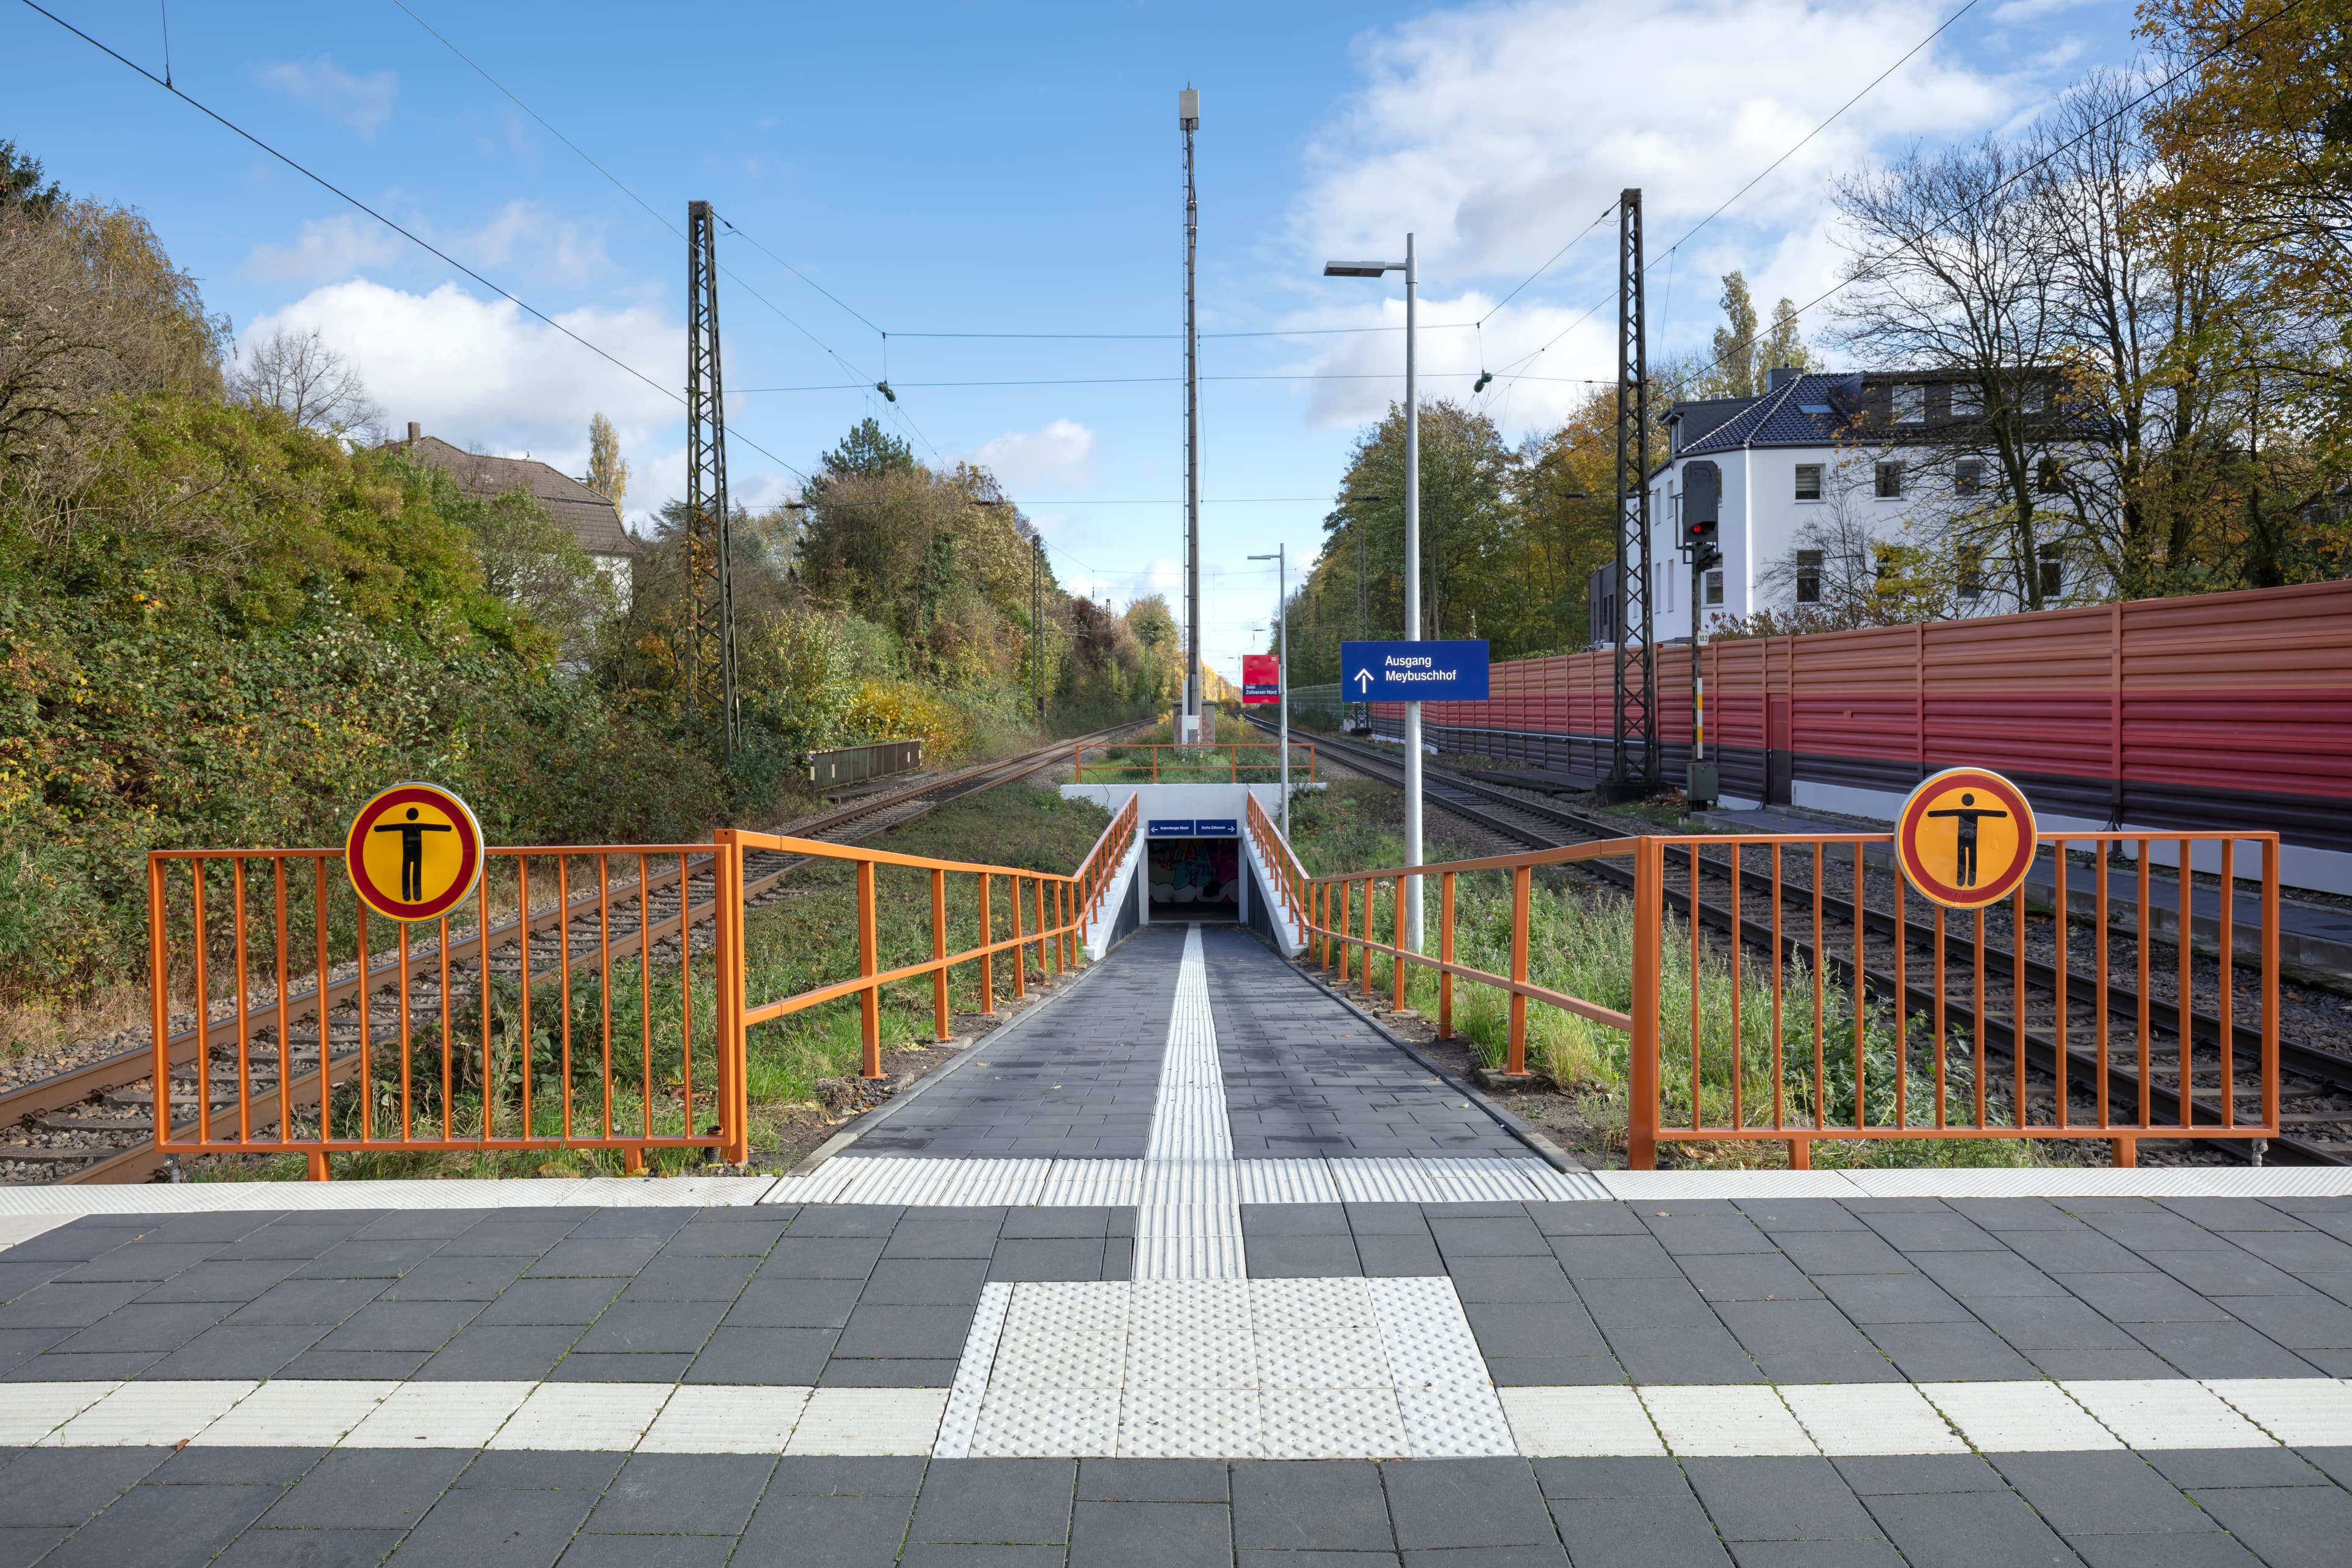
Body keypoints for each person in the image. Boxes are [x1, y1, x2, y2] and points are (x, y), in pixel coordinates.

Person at [1925, 791, 2007, 888]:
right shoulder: (1976, 811)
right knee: (1971, 859)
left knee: (1962, 859)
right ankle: (1970, 881)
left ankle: (1962, 880)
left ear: (1963, 801)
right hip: (1972, 839)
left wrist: (1930, 814)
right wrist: (2005, 814)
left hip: (1963, 839)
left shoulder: (1960, 811)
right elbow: (1993, 813)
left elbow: (1943, 813)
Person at [374, 805, 452, 902]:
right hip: (415, 852)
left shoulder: (406, 826)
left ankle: (410, 895)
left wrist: (376, 829)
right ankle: (415, 895)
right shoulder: (416, 825)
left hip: (410, 852)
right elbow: (435, 827)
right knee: (414, 872)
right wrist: (448, 828)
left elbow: (388, 827)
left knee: (408, 872)